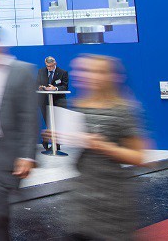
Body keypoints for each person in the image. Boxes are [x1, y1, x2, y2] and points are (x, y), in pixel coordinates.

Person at [61, 54, 145, 241]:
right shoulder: (77, 107)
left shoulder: (122, 110)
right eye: (83, 70)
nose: (87, 75)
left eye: (96, 71)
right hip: (82, 198)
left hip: (113, 201)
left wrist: (103, 146)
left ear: (109, 76)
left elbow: (138, 157)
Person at [0, 28, 39, 241]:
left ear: (0, 42)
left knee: (5, 210)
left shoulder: (22, 71)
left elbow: (29, 115)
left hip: (13, 150)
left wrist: (27, 155)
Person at [38, 55, 69, 153]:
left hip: (58, 101)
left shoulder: (63, 72)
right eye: (47, 66)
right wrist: (41, 87)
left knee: (57, 123)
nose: (49, 68)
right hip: (45, 101)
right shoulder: (41, 71)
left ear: (55, 63)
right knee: (49, 123)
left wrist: (55, 88)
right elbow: (37, 83)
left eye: (51, 66)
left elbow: (65, 86)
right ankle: (47, 141)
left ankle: (56, 144)